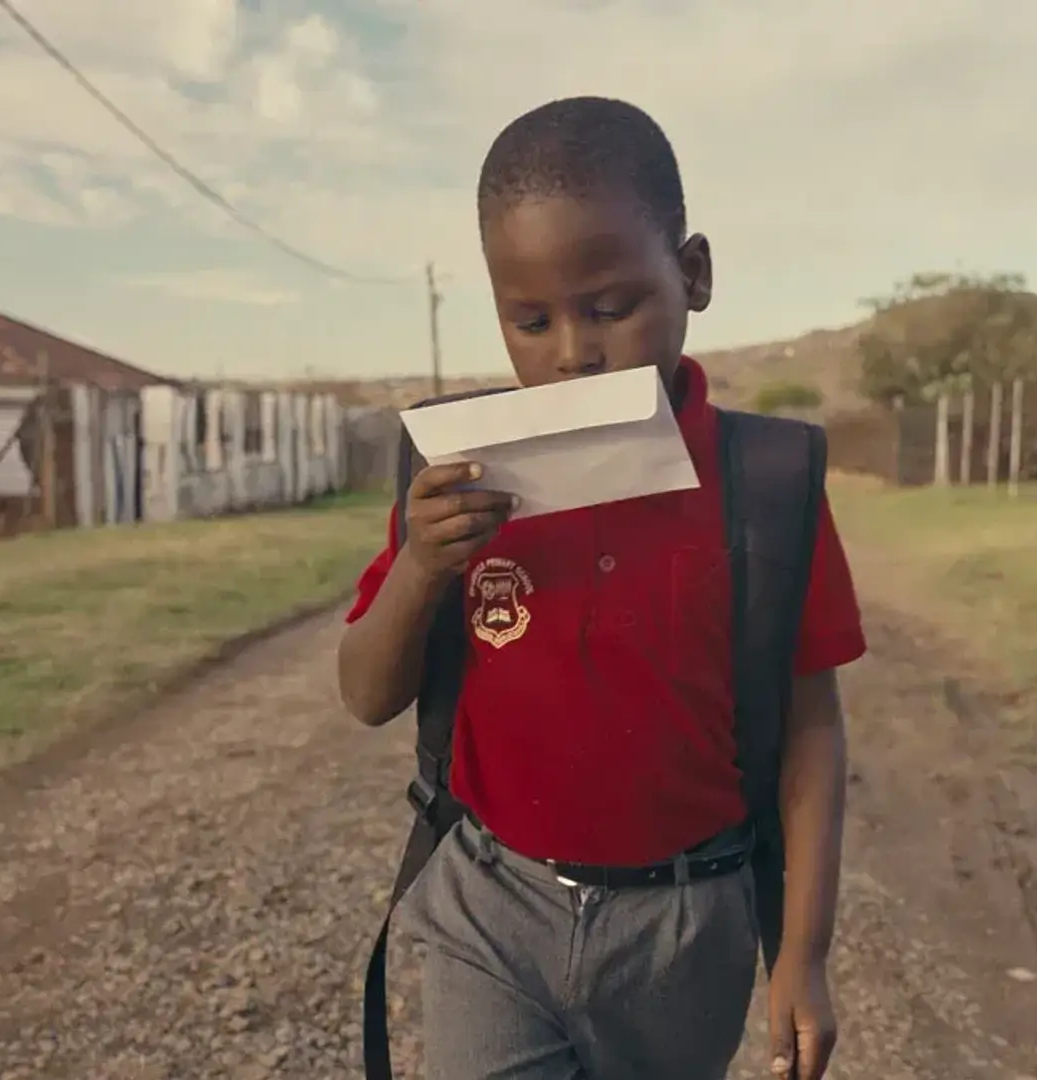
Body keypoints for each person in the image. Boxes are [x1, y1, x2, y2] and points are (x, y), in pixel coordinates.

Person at [335, 95, 865, 1080]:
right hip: (494, 908)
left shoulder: (767, 488)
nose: (572, 353)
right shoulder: (465, 475)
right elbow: (366, 695)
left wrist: (804, 952)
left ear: (693, 275)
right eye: (529, 321)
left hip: (685, 929)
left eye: (609, 306)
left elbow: (813, 731)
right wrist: (421, 564)